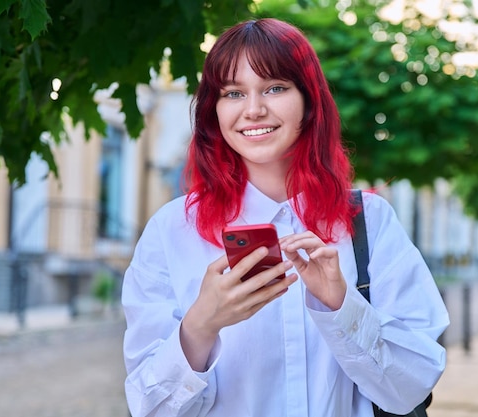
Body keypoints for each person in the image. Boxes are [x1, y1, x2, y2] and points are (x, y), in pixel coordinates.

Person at [122, 18, 449, 417]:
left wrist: (342, 306)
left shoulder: (368, 221)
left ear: (309, 101)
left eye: (275, 88)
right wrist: (199, 327)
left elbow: (411, 388)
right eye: (233, 93)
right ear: (214, 109)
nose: (254, 110)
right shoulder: (173, 229)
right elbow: (149, 409)